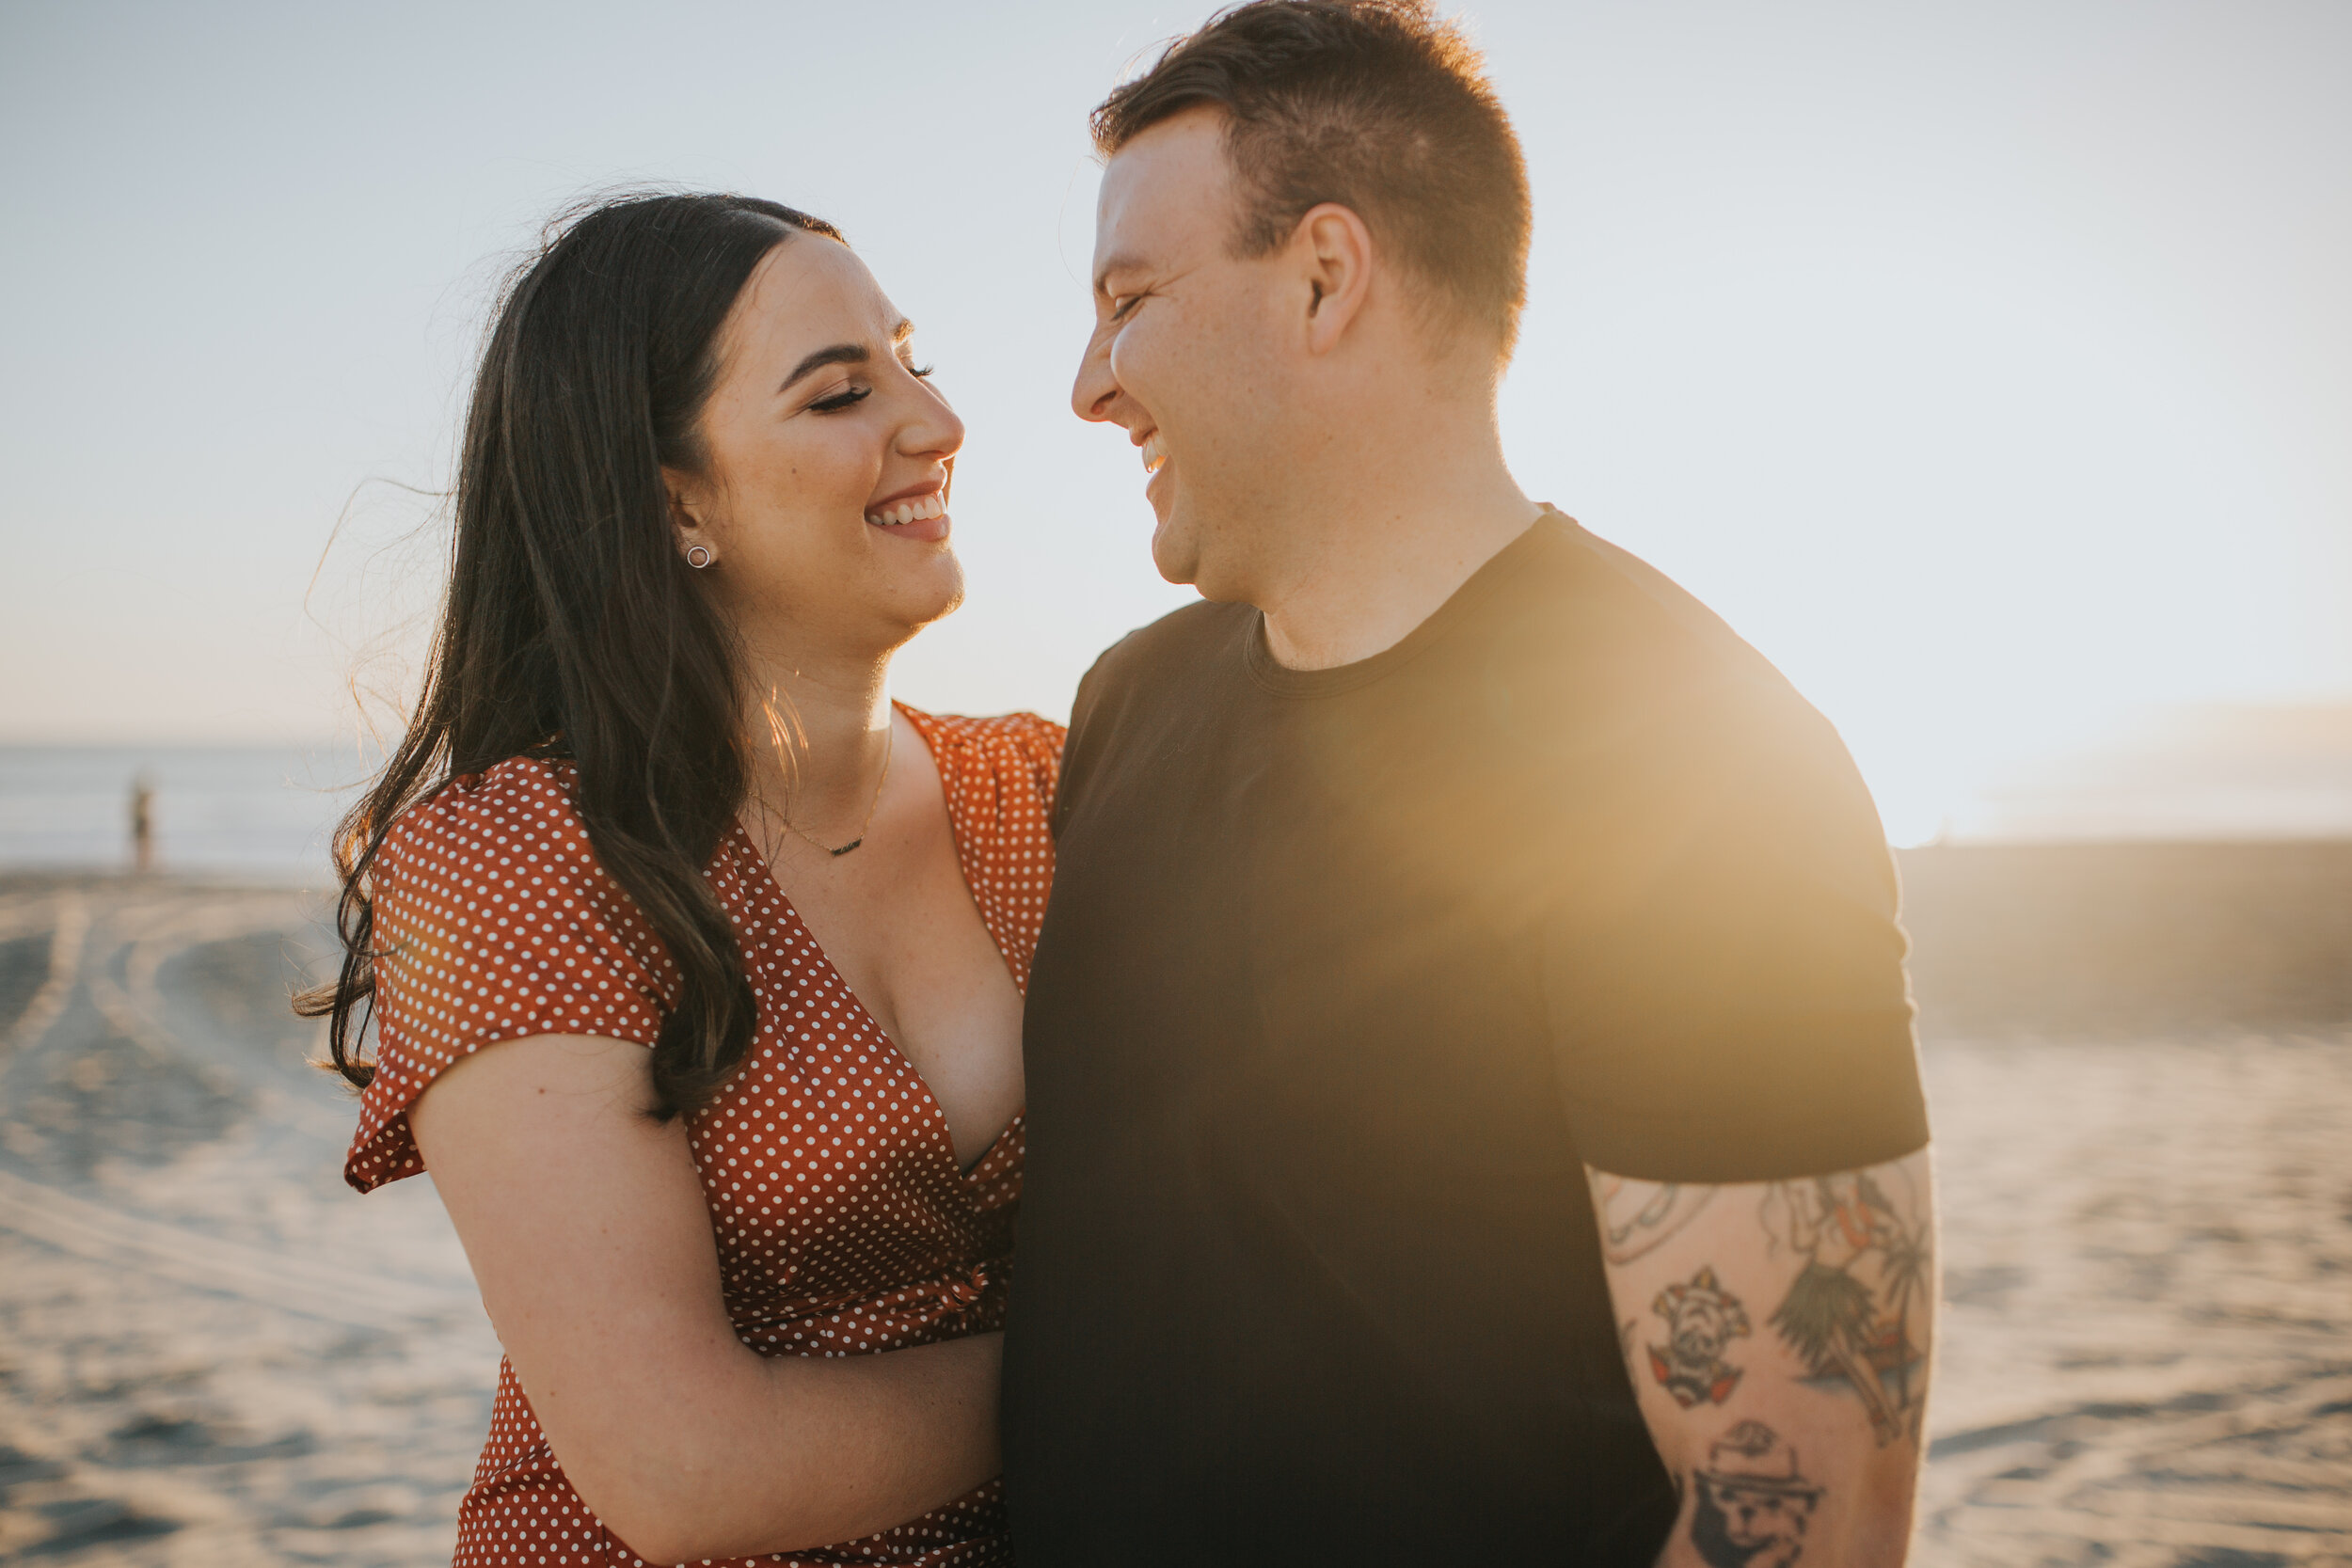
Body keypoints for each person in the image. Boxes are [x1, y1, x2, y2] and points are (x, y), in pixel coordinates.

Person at [1003, 4, 1936, 1564]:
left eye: (1128, 300)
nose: (1090, 384)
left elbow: (1801, 1517)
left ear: (1323, 278)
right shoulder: (1129, 706)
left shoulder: (1697, 767)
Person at [302, 192, 1056, 1567]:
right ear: (675, 501)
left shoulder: (1054, 794)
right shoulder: (521, 859)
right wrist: (1139, 1370)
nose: (937, 426)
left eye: (913, 361)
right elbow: (683, 1472)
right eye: (840, 396)